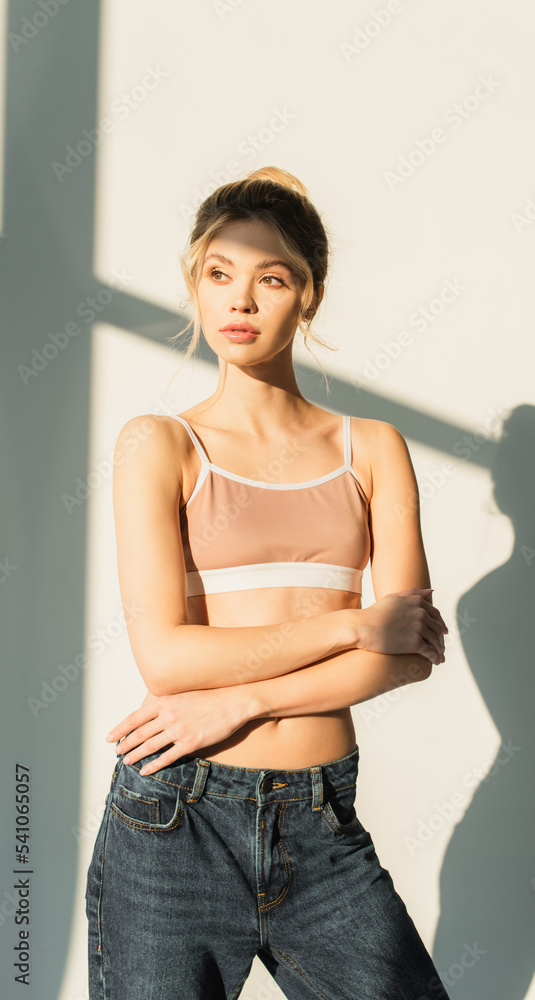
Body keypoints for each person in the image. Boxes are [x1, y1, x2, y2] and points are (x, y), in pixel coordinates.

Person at [85, 166, 451, 999]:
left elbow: (409, 654)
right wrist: (351, 625)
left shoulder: (372, 447)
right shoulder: (160, 445)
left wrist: (242, 700)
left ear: (309, 296)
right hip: (173, 818)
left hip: (323, 823)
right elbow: (170, 663)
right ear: (195, 286)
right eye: (219, 275)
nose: (240, 301)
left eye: (270, 278)